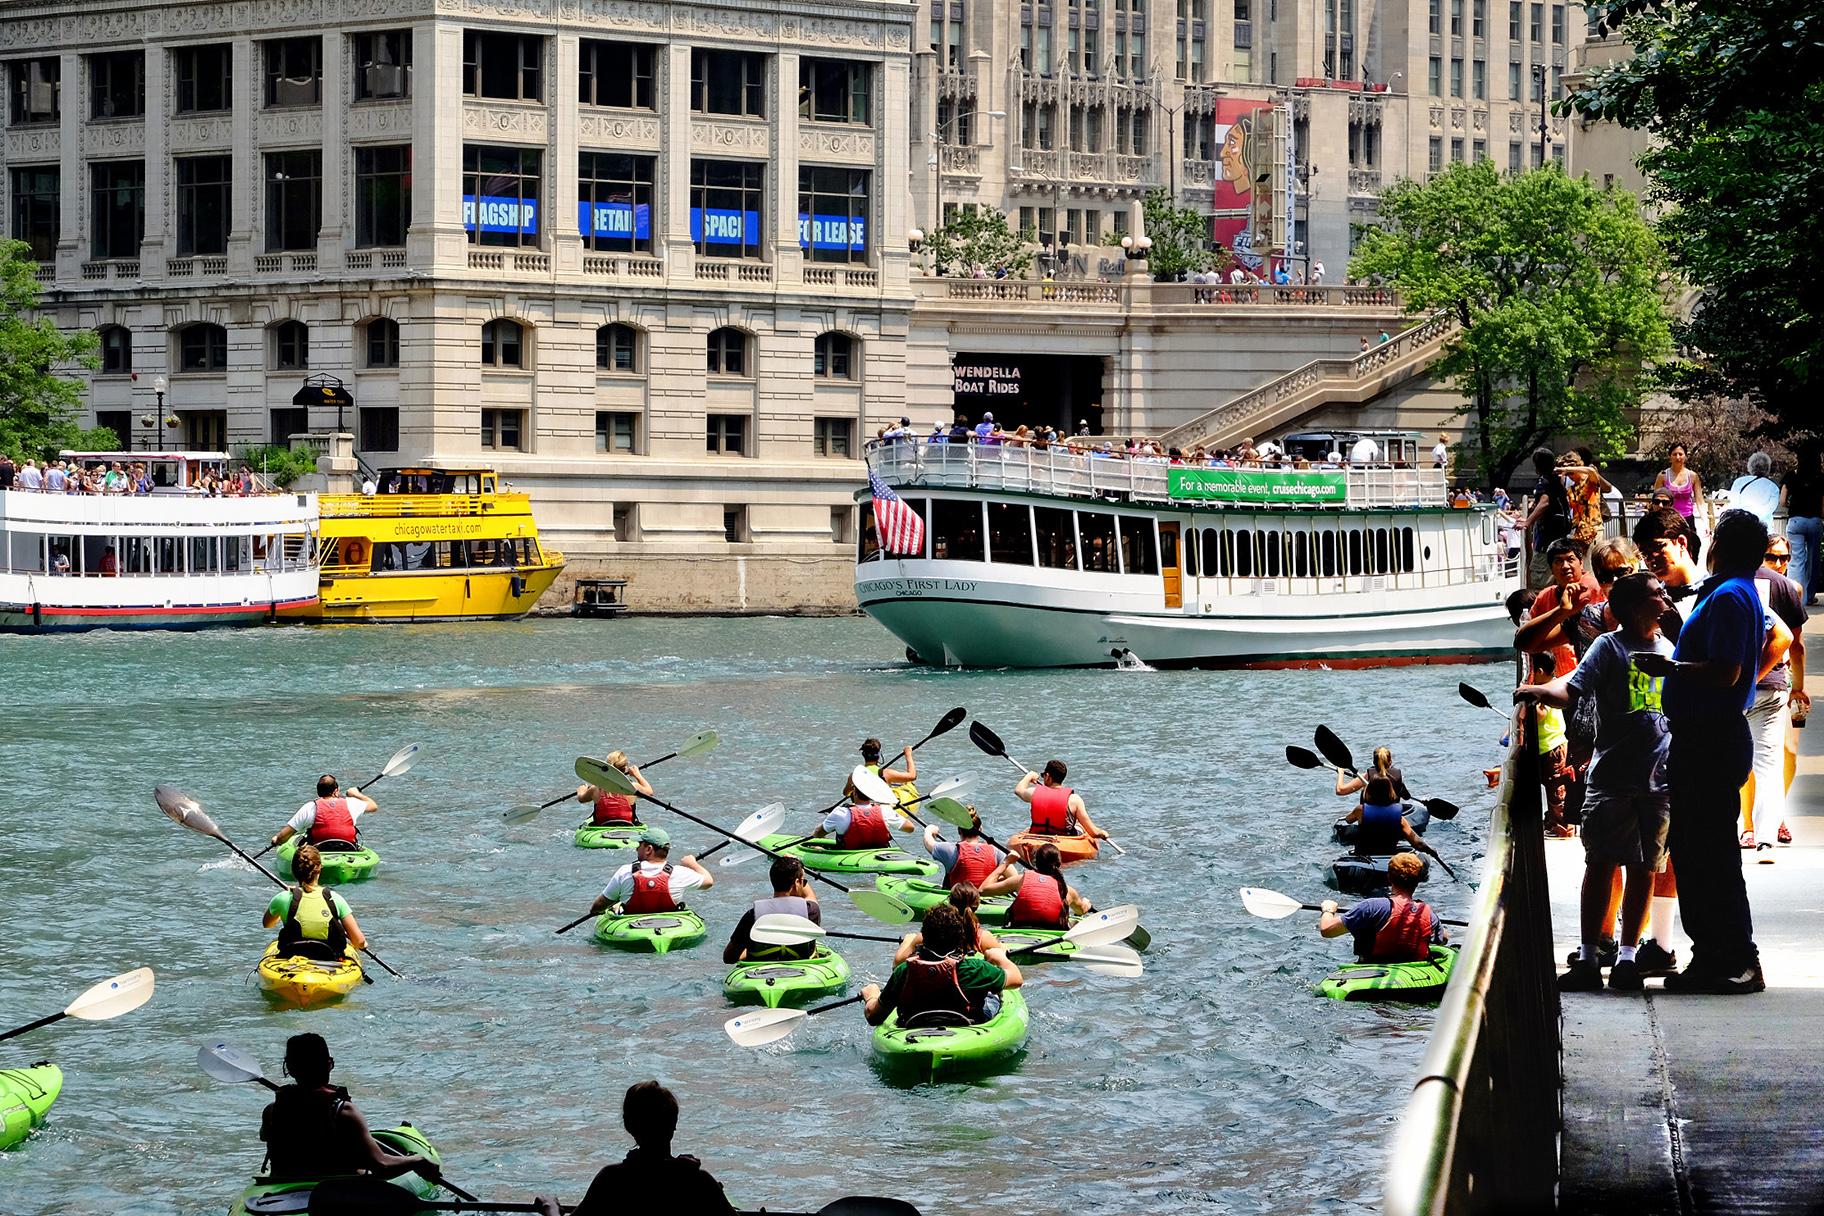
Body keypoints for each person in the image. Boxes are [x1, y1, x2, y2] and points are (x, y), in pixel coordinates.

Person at [1637, 509, 1777, 994]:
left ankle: (1738, 958)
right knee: (1694, 852)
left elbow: (1726, 672)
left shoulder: (1732, 596)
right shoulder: (1724, 592)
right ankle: (1711, 956)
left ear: (1719, 543)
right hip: (1701, 737)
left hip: (1713, 739)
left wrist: (1669, 669)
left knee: (1712, 855)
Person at [1516, 572, 1675, 991]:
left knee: (1645, 867)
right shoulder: (1609, 646)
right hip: (1612, 778)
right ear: (1637, 606)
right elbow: (1574, 687)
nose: (1665, 598)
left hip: (1658, 779)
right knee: (1601, 863)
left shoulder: (1670, 648)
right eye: (1657, 594)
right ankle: (1588, 957)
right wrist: (1538, 692)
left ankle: (1627, 958)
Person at [260, 1034, 441, 1184]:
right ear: (329, 1064)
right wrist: (416, 1161)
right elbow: (382, 1165)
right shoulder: (344, 1112)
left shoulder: (271, 1111)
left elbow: (268, 1136)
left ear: (290, 1068)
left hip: (281, 1188)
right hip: (335, 1193)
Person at [533, 1083, 735, 1216]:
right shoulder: (699, 1182)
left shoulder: (611, 1179)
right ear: (673, 1124)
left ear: (629, 1126)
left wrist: (550, 1207)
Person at [1740, 534, 1807, 858]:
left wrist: (1799, 686)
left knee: (1788, 752)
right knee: (1757, 760)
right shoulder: (1745, 583)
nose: (1778, 564)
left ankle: (1774, 816)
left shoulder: (1793, 589)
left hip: (1784, 683)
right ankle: (1751, 826)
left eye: (1783, 558)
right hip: (1763, 683)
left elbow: (1797, 644)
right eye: (1771, 557)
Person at [861, 903, 1022, 1027]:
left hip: (914, 1026)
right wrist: (1001, 957)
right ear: (960, 938)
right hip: (967, 1025)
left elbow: (874, 1017)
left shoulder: (904, 971)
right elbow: (1016, 980)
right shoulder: (974, 968)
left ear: (924, 936)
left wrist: (871, 996)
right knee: (992, 997)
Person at [1317, 852, 1445, 962]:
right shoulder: (1428, 914)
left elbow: (1327, 930)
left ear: (1389, 878)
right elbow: (1443, 939)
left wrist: (1328, 909)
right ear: (1418, 881)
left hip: (1372, 970)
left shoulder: (1372, 907)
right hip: (1414, 975)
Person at [262, 843, 367, 961]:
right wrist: (364, 945)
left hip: (292, 959)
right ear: (319, 868)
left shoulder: (282, 898)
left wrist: (287, 899)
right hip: (329, 960)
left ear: (293, 870)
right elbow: (359, 941)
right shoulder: (335, 899)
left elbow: (267, 924)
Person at [1517, 537, 1604, 679]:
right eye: (1558, 561)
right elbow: (1525, 637)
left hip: (1592, 674)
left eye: (1570, 560)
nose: (1565, 566)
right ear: (1551, 568)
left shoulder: (1592, 587)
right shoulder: (1545, 596)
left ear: (1581, 563)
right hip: (1560, 678)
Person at [588, 827, 713, 918]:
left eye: (640, 845)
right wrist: (692, 863)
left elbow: (599, 905)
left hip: (630, 925)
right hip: (669, 924)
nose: (636, 848)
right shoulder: (680, 873)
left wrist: (604, 909)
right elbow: (708, 881)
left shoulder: (625, 871)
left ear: (648, 849)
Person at [722, 857, 819, 963]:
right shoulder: (811, 911)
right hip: (803, 969)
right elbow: (810, 896)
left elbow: (729, 958)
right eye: (803, 881)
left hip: (760, 974)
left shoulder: (752, 915)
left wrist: (750, 951)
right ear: (796, 883)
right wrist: (796, 867)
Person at [980, 842, 1093, 928]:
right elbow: (1080, 910)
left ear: (1036, 863)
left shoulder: (1020, 880)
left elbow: (982, 890)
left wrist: (1006, 862)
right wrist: (1086, 904)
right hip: (1051, 936)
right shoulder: (1067, 890)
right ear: (1059, 865)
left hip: (1017, 931)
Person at [893, 881, 1003, 962]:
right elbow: (1003, 957)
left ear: (950, 902)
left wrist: (908, 941)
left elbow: (898, 963)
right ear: (977, 905)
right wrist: (1002, 947)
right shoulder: (983, 938)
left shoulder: (925, 937)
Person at [269, 776, 379, 853]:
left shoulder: (309, 807)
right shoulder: (350, 803)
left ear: (318, 793)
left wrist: (276, 840)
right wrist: (356, 794)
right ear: (336, 791)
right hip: (347, 849)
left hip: (318, 852)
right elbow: (373, 806)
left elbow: (285, 835)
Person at [1014, 759, 1107, 842]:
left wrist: (1029, 776)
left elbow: (1018, 790)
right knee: (1080, 826)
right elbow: (1093, 832)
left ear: (1047, 776)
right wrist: (1101, 833)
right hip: (1064, 840)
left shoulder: (1034, 793)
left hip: (1038, 837)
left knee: (1027, 829)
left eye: (1043, 776)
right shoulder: (1074, 799)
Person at [1520, 446, 1574, 588]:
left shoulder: (1543, 481)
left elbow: (1545, 502)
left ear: (1537, 466)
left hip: (1546, 541)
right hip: (1561, 537)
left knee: (1540, 580)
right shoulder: (1557, 480)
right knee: (1558, 578)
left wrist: (1527, 521)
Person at [921, 806, 1005, 889]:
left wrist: (929, 830)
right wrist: (994, 879)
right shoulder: (996, 852)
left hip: (958, 898)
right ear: (980, 830)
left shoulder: (950, 850)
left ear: (959, 830)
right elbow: (1013, 876)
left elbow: (928, 843)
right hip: (985, 897)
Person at [1784, 443, 1824, 604]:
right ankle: (1809, 595)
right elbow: (1823, 506)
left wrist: (1791, 506)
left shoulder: (1791, 476)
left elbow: (1782, 500)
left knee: (1796, 560)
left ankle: (1796, 599)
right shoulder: (1821, 478)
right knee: (1813, 560)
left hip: (1795, 520)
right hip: (1814, 521)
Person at [1652, 442, 1713, 539]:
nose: (1678, 457)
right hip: (1669, 519)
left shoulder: (1693, 476)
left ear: (1685, 456)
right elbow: (1655, 501)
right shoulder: (1662, 476)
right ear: (1670, 456)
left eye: (1680, 454)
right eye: (1674, 454)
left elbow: (1700, 501)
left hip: (1687, 519)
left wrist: (1706, 522)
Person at [575, 750, 652, 827]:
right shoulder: (633, 787)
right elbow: (649, 793)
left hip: (602, 826)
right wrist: (637, 775)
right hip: (628, 826)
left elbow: (582, 799)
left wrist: (581, 790)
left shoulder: (595, 788)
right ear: (625, 768)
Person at [1557, 454, 1615, 548]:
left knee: (1591, 560)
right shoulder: (1571, 489)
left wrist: (1568, 469)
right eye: (1568, 474)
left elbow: (1591, 471)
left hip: (1593, 528)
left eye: (1572, 472)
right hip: (1578, 531)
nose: (1570, 476)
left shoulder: (1589, 480)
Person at [1333, 746, 1414, 803]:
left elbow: (1340, 790)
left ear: (1373, 762)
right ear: (1390, 761)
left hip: (1370, 817)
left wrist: (1341, 773)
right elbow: (1406, 797)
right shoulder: (1397, 775)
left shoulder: (1367, 776)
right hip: (1391, 817)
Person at [1727, 451, 1784, 526]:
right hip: (1763, 526)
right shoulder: (1773, 487)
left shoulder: (1738, 482)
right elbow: (1770, 508)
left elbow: (1734, 504)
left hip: (1741, 524)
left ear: (1750, 466)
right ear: (1767, 468)